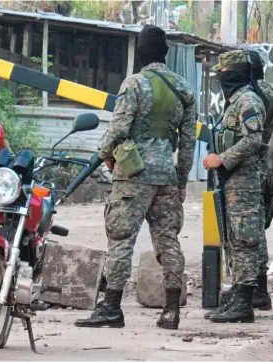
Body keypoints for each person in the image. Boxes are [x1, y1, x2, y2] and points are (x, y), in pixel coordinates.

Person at [74, 24, 197, 330]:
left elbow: (117, 129)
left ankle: (112, 308)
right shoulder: (183, 89)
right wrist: (181, 182)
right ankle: (171, 311)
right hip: (166, 175)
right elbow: (188, 144)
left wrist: (105, 155)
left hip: (133, 174)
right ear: (165, 54)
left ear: (140, 53)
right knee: (168, 240)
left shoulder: (134, 84)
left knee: (121, 239)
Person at [202, 50, 267, 323]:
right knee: (234, 239)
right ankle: (239, 294)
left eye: (225, 72)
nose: (221, 77)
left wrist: (222, 159)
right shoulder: (235, 101)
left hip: (244, 181)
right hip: (231, 181)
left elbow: (253, 139)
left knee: (244, 239)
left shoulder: (248, 101)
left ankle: (244, 302)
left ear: (236, 74)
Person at [248, 50, 273, 311]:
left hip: (252, 167)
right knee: (261, 225)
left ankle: (258, 289)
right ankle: (257, 288)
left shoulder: (247, 94)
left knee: (252, 230)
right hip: (272, 168)